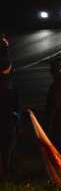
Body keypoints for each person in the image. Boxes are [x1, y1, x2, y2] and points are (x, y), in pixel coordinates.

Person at [1, 33, 18, 178]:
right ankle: (5, 168)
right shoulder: (6, 64)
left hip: (7, 104)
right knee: (8, 139)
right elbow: (6, 65)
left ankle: (6, 167)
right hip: (5, 105)